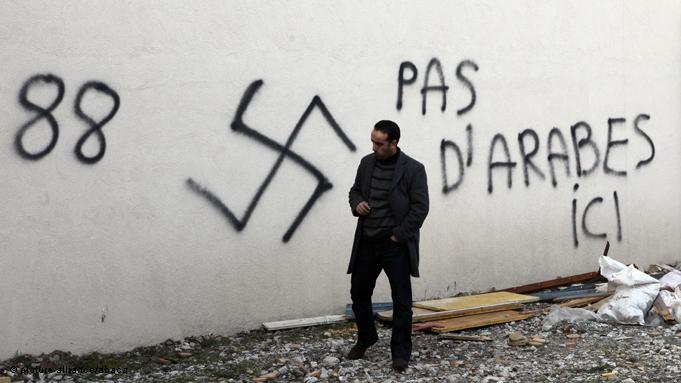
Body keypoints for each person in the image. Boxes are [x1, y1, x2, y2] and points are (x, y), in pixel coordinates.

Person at [346, 119, 429, 371]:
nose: (373, 147)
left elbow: (420, 208)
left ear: (393, 143)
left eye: (378, 143)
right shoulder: (366, 163)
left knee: (402, 300)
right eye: (372, 141)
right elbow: (354, 191)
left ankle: (400, 352)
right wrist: (357, 203)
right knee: (359, 292)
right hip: (368, 242)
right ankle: (366, 337)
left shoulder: (413, 169)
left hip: (395, 245)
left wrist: (398, 235)